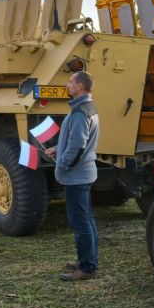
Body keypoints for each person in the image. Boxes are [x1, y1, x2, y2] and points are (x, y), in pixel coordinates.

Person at [45, 70, 100, 281]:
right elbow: (76, 139)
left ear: (79, 86)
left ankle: (87, 268)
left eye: (70, 82)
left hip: (77, 175)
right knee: (86, 219)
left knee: (80, 223)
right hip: (84, 172)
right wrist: (58, 148)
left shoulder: (79, 112)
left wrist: (63, 163)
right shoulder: (87, 107)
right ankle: (87, 260)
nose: (68, 85)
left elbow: (78, 144)